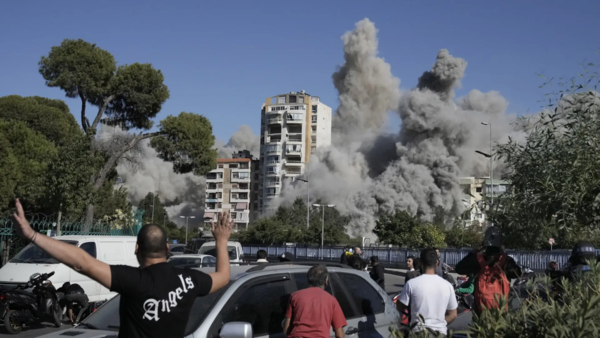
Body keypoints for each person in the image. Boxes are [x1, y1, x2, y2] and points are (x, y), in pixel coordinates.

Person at [11, 198, 232, 338]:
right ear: (167, 247)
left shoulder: (133, 280)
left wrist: (32, 235)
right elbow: (223, 276)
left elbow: (82, 262)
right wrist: (221, 241)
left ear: (137, 248)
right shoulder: (190, 280)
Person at [455, 227, 521, 315]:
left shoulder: (477, 260)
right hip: (501, 311)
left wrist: (474, 251)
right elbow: (518, 274)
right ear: (501, 242)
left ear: (485, 241)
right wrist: (503, 252)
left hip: (482, 311)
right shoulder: (507, 261)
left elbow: (458, 268)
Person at [397, 248, 457, 337]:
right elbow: (453, 315)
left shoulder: (411, 284)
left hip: (418, 332)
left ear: (420, 262)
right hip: (439, 333)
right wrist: (439, 324)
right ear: (437, 263)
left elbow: (400, 307)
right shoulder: (447, 286)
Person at [283, 265, 347, 338]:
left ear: (308, 279)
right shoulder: (331, 300)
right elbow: (339, 335)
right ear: (326, 281)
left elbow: (286, 330)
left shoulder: (295, 296)